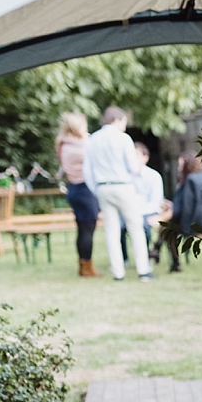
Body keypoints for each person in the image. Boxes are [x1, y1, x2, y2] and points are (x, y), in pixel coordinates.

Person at [83, 106, 152, 281]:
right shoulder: (123, 139)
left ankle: (118, 272)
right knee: (136, 228)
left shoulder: (93, 139)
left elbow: (87, 170)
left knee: (111, 231)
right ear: (117, 120)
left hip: (103, 187)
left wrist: (96, 189)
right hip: (123, 186)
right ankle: (143, 270)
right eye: (124, 122)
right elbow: (133, 166)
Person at [55, 113, 99, 277]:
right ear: (76, 128)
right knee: (88, 230)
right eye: (83, 126)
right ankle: (87, 267)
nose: (86, 129)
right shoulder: (80, 145)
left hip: (73, 188)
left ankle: (83, 265)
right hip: (85, 190)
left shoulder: (64, 144)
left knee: (82, 230)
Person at [164, 154, 202, 273]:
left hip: (198, 223)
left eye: (180, 165)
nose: (178, 168)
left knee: (168, 229)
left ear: (187, 166)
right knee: (167, 225)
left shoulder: (190, 180)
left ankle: (174, 262)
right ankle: (157, 248)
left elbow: (186, 207)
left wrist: (184, 226)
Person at [126, 141, 166, 266]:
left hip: (148, 211)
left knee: (144, 227)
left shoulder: (154, 176)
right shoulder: (126, 176)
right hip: (128, 211)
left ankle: (145, 257)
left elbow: (156, 202)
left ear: (145, 157)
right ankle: (124, 259)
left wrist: (139, 212)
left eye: (137, 154)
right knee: (120, 226)